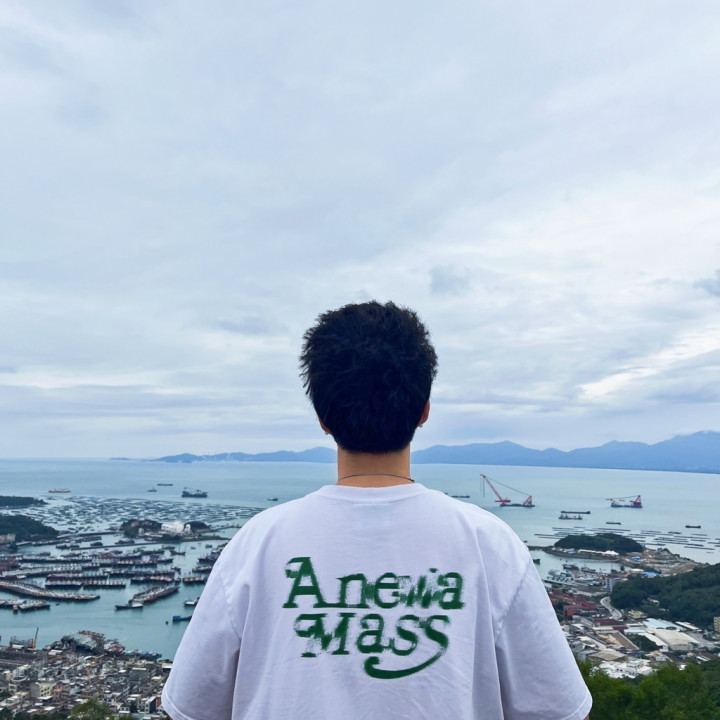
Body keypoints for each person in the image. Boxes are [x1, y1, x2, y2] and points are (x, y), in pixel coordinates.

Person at [161, 301, 592, 720]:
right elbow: (558, 709)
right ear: (424, 411)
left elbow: (190, 706)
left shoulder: (257, 542)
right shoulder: (491, 545)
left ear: (323, 417)